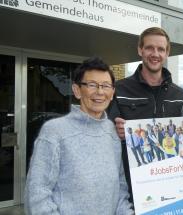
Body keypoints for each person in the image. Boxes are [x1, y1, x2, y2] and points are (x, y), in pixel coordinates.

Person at [25, 57, 133, 214]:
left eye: (105, 86)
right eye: (92, 85)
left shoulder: (112, 132)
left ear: (112, 93)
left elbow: (120, 188)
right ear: (76, 90)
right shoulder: (54, 131)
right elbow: (37, 194)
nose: (100, 92)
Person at [107, 27, 183, 200]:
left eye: (161, 49)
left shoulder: (178, 94)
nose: (155, 53)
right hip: (130, 188)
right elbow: (104, 131)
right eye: (150, 48)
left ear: (167, 53)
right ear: (140, 50)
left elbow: (182, 140)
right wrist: (114, 131)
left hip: (169, 183)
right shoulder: (119, 89)